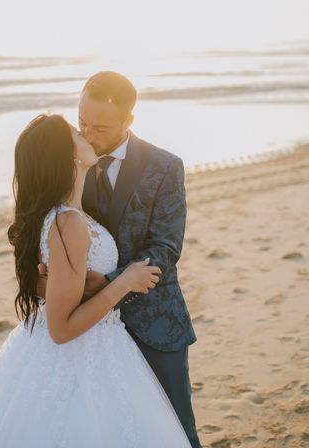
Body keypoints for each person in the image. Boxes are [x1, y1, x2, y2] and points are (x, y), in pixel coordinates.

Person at [0, 113, 192, 447]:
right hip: (81, 347)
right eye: (76, 132)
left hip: (103, 345)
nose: (85, 133)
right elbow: (62, 329)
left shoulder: (69, 212)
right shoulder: (68, 222)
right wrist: (124, 281)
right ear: (67, 156)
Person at [38, 71, 201, 448]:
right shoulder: (65, 160)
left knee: (176, 431)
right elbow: (39, 225)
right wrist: (40, 275)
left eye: (100, 128)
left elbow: (166, 247)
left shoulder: (165, 167)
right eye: (81, 123)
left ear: (129, 121)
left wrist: (110, 281)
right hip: (90, 334)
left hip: (155, 321)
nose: (88, 136)